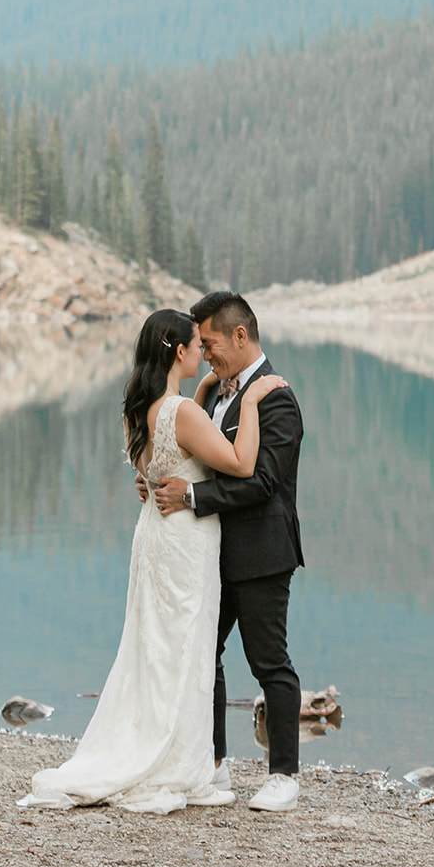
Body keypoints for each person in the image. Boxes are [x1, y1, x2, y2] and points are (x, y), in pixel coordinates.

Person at [20, 307, 285, 814]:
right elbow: (242, 463)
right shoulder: (182, 412)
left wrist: (205, 393)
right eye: (197, 345)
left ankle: (179, 752)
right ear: (180, 352)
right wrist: (250, 400)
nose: (204, 353)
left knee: (156, 646)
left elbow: (163, 460)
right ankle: (179, 762)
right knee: (185, 645)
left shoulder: (137, 409)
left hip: (154, 537)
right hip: (186, 540)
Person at [152, 291, 306, 813]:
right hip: (211, 552)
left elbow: (264, 482)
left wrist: (191, 497)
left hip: (263, 554)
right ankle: (213, 764)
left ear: (241, 336)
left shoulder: (277, 397)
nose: (207, 352)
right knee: (205, 656)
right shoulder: (215, 392)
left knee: (270, 662)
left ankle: (284, 775)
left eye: (211, 343)